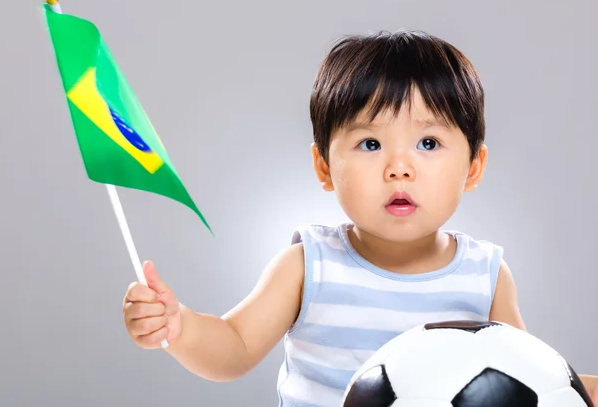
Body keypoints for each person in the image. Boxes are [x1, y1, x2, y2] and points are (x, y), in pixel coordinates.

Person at [122, 30, 598, 406]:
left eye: (428, 143)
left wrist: (578, 388)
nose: (399, 166)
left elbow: (525, 378)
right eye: (370, 144)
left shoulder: (487, 276)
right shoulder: (308, 265)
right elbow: (234, 348)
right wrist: (178, 325)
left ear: (473, 167)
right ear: (324, 167)